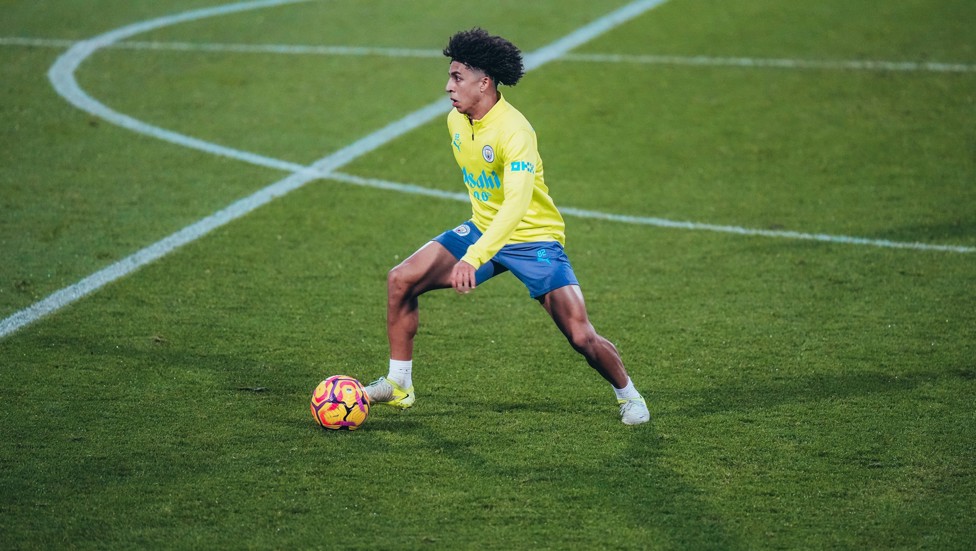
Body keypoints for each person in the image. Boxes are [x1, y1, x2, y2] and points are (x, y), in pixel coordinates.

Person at [364, 28, 649, 425]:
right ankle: (399, 384)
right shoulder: (456, 121)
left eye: (457, 77)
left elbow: (516, 205)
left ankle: (629, 396)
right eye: (449, 76)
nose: (448, 87)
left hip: (532, 239)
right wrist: (476, 246)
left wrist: (474, 257)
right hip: (483, 229)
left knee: (581, 335)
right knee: (401, 280)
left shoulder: (515, 131)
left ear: (484, 83)